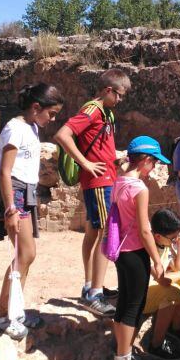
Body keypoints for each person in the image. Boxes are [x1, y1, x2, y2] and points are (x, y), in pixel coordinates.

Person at [0, 84, 64, 340]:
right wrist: (10, 208)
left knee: (26, 255)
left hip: (26, 192)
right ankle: (0, 313)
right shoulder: (14, 128)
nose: (52, 119)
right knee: (25, 254)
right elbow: (5, 172)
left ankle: (13, 310)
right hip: (15, 193)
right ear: (36, 107)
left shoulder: (31, 127)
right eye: (51, 114)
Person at [54, 68, 132, 317]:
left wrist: (114, 161)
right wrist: (85, 163)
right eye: (118, 94)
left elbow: (98, 145)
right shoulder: (92, 110)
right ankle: (94, 294)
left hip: (105, 177)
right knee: (106, 234)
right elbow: (63, 134)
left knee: (93, 232)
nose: (120, 100)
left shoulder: (106, 113)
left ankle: (90, 285)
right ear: (108, 90)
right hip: (99, 182)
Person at [111, 136, 169, 360]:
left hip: (120, 252)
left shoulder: (119, 181)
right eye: (153, 162)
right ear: (144, 160)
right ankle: (123, 359)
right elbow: (145, 230)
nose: (154, 167)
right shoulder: (140, 189)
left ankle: (120, 354)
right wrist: (157, 260)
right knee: (133, 308)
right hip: (136, 252)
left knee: (123, 303)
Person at [141, 208, 180, 360]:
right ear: (158, 236)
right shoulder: (148, 248)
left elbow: (179, 267)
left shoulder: (164, 243)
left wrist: (179, 242)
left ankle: (175, 328)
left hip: (153, 290)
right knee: (173, 292)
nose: (175, 240)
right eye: (173, 238)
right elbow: (163, 279)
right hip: (140, 297)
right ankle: (156, 345)